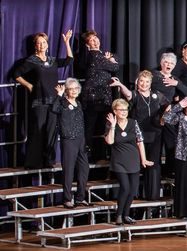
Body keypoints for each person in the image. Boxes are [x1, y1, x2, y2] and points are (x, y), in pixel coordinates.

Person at [13, 30, 74, 169]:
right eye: (39, 43)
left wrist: (66, 43)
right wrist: (28, 85)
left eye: (44, 43)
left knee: (52, 131)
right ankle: (33, 162)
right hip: (39, 101)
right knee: (38, 130)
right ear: (36, 46)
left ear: (47, 45)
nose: (42, 45)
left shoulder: (52, 60)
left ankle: (49, 161)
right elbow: (16, 74)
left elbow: (69, 60)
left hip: (54, 101)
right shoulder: (32, 61)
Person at [114, 71, 170, 201]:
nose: (144, 84)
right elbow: (127, 94)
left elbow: (168, 106)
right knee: (136, 164)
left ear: (150, 83)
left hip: (155, 133)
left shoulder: (157, 95)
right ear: (137, 82)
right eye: (141, 81)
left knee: (153, 164)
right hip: (139, 134)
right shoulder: (135, 95)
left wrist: (163, 118)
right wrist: (120, 84)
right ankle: (132, 195)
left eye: (147, 82)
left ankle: (152, 195)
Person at [105, 98, 153, 225]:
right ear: (115, 111)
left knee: (133, 190)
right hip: (119, 161)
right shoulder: (110, 124)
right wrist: (113, 126)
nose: (124, 112)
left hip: (133, 160)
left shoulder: (133, 123)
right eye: (121, 110)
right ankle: (119, 215)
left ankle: (126, 215)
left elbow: (140, 142)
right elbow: (110, 141)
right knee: (125, 188)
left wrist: (143, 159)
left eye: (125, 109)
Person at [77, 31, 119, 161]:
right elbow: (115, 67)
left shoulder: (100, 54)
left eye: (96, 38)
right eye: (91, 40)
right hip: (94, 97)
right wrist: (111, 60)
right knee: (92, 126)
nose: (95, 41)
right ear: (87, 44)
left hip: (101, 96)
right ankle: (88, 154)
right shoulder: (94, 55)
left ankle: (99, 154)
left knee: (100, 126)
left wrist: (110, 59)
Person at [51, 78, 89, 208]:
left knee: (84, 169)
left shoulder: (79, 103)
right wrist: (59, 95)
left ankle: (80, 197)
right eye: (71, 89)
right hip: (69, 140)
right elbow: (54, 109)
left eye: (76, 89)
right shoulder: (62, 103)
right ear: (67, 90)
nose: (74, 91)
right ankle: (67, 198)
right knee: (69, 170)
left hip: (80, 140)